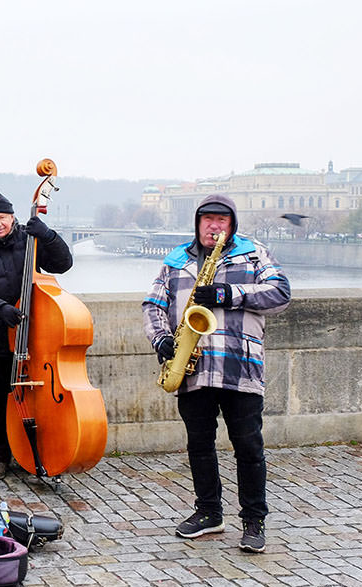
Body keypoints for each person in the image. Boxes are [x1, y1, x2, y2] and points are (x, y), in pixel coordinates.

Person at [142, 194, 290, 553]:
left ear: (232, 225)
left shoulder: (254, 253)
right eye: (207, 219)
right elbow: (153, 304)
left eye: (221, 220)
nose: (214, 226)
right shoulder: (177, 259)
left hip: (241, 365)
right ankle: (209, 512)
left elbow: (281, 293)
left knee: (249, 447)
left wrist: (228, 293)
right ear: (197, 223)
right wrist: (161, 338)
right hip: (194, 367)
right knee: (199, 446)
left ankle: (253, 520)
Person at [0, 191, 72, 480]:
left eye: (2, 218)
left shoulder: (29, 240)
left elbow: (63, 264)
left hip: (31, 337)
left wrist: (48, 236)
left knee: (34, 396)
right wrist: (0, 310)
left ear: (12, 218)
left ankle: (36, 451)